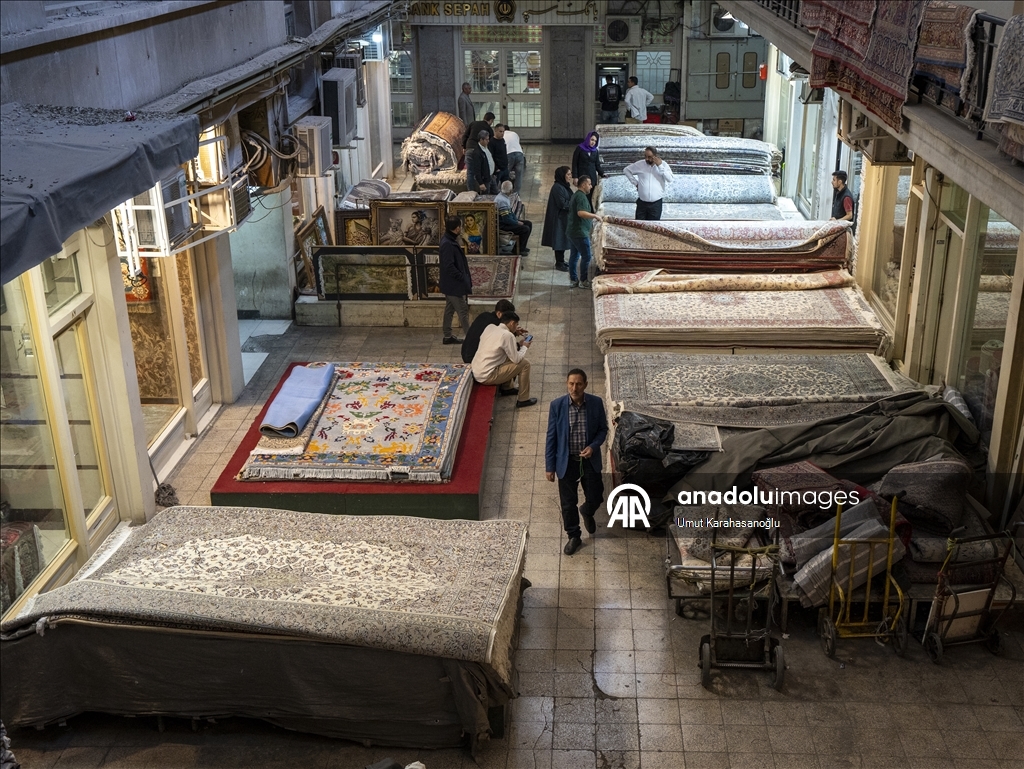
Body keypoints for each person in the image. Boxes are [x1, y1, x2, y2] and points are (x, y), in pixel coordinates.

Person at [545, 368, 608, 556]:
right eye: (571, 383)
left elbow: (603, 430)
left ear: (585, 385)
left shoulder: (596, 403)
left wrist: (594, 446)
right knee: (567, 503)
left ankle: (587, 511)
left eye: (579, 384)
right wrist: (550, 467)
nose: (575, 388)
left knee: (596, 496)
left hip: (588, 460)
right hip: (566, 462)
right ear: (567, 384)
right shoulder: (557, 406)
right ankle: (574, 535)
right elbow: (551, 437)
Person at [471, 312, 537, 408]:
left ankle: (507, 388)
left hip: (477, 369)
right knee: (525, 364)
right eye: (516, 325)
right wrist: (525, 347)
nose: (517, 327)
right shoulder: (507, 335)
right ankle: (523, 399)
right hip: (487, 375)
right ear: (512, 323)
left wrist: (515, 336)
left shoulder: (490, 327)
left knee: (507, 355)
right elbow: (517, 359)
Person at [439, 215, 471, 345]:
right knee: (462, 311)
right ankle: (471, 339)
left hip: (451, 284)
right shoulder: (447, 243)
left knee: (450, 309)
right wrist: (461, 276)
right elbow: (449, 265)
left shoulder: (449, 239)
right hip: (454, 285)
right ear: (457, 228)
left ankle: (447, 336)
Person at [461, 299, 526, 363]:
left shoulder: (484, 315)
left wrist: (514, 331)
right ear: (499, 314)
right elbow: (505, 347)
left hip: (464, 353)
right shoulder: (495, 325)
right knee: (518, 362)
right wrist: (520, 345)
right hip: (474, 358)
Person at [566, 176, 602, 288]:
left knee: (574, 256)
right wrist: (595, 216)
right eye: (589, 184)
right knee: (586, 256)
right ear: (583, 185)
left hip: (573, 231)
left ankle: (573, 279)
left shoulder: (577, 195)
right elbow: (581, 213)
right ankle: (583, 280)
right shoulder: (581, 197)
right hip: (579, 232)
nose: (591, 186)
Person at [623, 146, 675, 221]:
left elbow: (670, 179)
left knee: (653, 228)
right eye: (645, 156)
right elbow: (626, 170)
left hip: (656, 205)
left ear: (655, 156)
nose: (647, 159)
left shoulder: (663, 165)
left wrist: (660, 166)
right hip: (642, 204)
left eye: (649, 157)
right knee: (639, 227)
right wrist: (635, 183)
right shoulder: (640, 164)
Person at [541, 166, 573, 272]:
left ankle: (562, 260)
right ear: (562, 176)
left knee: (563, 239)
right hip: (558, 218)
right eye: (568, 174)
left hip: (563, 218)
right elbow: (562, 203)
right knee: (559, 240)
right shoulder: (557, 187)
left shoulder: (564, 186)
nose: (570, 176)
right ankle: (559, 262)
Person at [496, 180, 533, 256]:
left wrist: (516, 220)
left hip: (507, 221)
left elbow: (510, 213)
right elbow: (506, 219)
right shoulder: (502, 201)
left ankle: (522, 247)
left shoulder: (503, 196)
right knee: (525, 229)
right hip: (503, 225)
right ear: (510, 190)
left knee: (528, 223)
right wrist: (517, 222)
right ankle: (518, 250)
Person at [503, 126, 526, 194]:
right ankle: (516, 193)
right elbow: (517, 144)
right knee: (519, 175)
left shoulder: (502, 134)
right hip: (519, 153)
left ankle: (505, 191)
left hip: (508, 153)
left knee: (505, 174)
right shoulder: (514, 134)